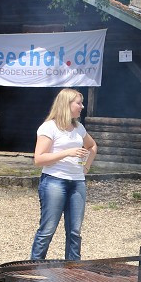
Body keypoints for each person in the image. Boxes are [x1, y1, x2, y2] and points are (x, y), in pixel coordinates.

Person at [30, 88, 98, 261]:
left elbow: (92, 146)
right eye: (79, 103)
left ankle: (73, 271)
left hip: (77, 183)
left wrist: (86, 168)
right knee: (47, 230)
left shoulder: (78, 127)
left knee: (75, 231)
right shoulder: (49, 127)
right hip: (54, 181)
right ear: (66, 104)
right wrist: (67, 152)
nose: (82, 107)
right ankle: (32, 270)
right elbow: (39, 159)